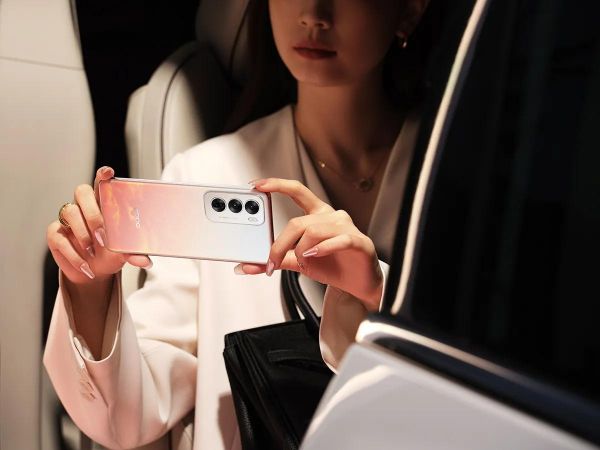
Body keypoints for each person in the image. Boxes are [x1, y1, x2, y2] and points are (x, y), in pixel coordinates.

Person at [44, 1, 437, 449]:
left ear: (409, 11)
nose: (314, 14)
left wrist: (374, 292)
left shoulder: (461, 175)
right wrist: (88, 286)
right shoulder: (208, 173)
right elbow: (129, 415)